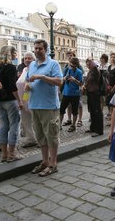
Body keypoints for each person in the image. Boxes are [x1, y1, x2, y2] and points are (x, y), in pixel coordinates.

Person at [26, 39, 63, 177]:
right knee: (40, 137)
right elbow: (29, 81)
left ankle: (53, 164)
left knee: (51, 136)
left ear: (45, 50)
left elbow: (59, 81)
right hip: (35, 105)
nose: (37, 51)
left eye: (40, 49)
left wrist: (42, 76)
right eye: (35, 48)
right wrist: (28, 86)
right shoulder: (32, 65)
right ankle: (45, 162)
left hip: (49, 106)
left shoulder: (53, 64)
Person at [0, 46, 24, 162]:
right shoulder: (10, 67)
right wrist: (19, 100)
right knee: (14, 125)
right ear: (10, 54)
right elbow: (12, 87)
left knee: (3, 126)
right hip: (10, 100)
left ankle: (4, 155)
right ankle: (12, 154)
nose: (15, 55)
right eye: (14, 53)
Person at [16, 51, 37, 148]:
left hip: (33, 97)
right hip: (23, 97)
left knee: (36, 120)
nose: (27, 60)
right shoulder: (24, 69)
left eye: (29, 58)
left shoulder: (36, 69)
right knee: (25, 120)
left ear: (34, 59)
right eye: (25, 58)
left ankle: (41, 139)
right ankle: (30, 139)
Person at [59, 57, 83, 132]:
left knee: (75, 111)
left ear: (76, 65)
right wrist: (65, 78)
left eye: (73, 66)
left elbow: (81, 83)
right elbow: (62, 79)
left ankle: (73, 125)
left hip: (75, 94)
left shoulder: (79, 72)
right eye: (71, 65)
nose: (71, 67)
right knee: (61, 110)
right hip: (66, 93)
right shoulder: (67, 69)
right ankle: (59, 125)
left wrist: (74, 80)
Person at [84, 57, 104, 137]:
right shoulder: (90, 71)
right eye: (87, 63)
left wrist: (92, 61)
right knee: (92, 110)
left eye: (89, 63)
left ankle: (99, 130)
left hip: (95, 93)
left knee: (97, 111)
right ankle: (93, 127)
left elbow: (95, 67)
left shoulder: (95, 70)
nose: (88, 64)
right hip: (90, 92)